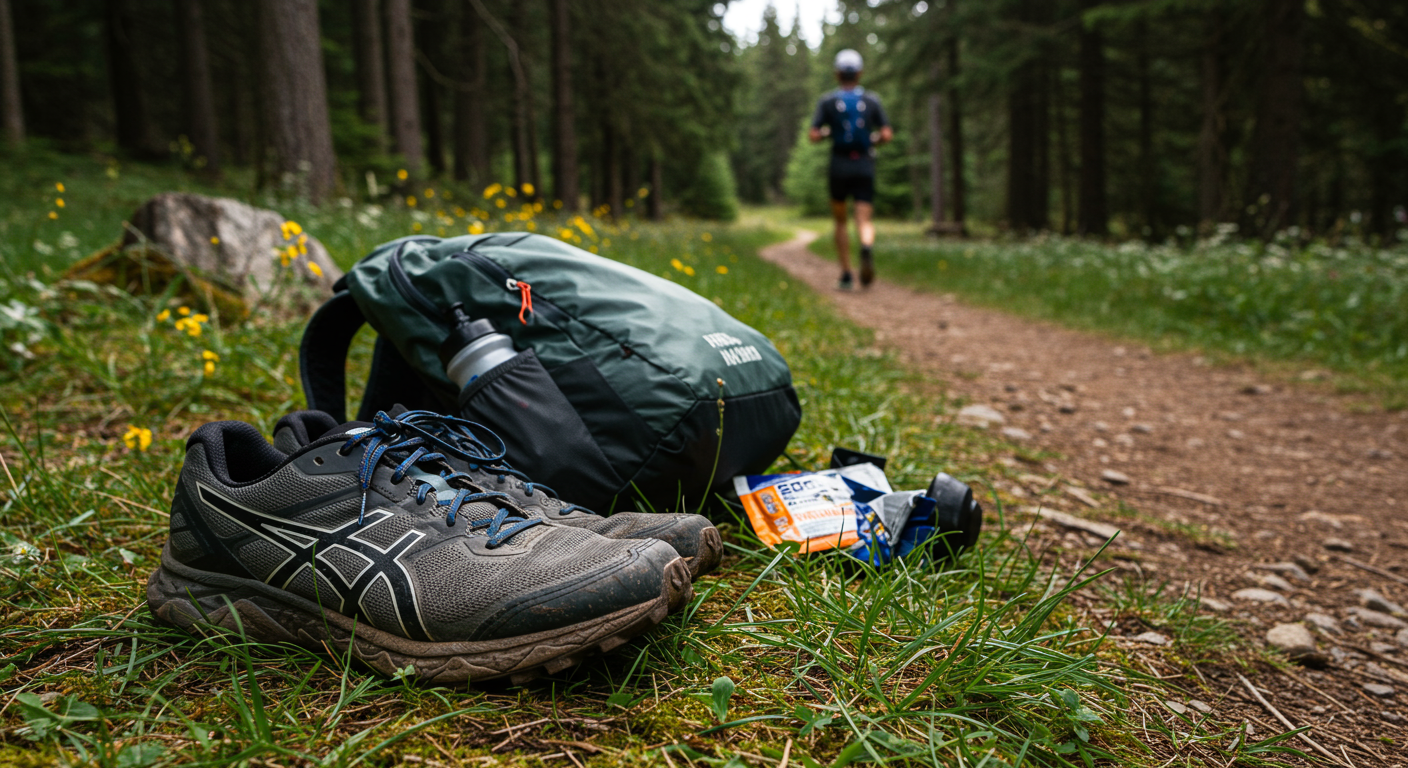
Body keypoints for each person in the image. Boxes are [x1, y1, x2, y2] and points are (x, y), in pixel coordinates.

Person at [809, 48, 892, 290]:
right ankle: (866, 246)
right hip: (864, 164)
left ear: (837, 74)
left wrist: (827, 132)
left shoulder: (827, 101)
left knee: (840, 221)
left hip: (839, 165)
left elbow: (813, 134)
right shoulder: (871, 101)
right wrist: (872, 139)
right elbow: (887, 134)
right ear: (859, 73)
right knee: (864, 218)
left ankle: (846, 274)